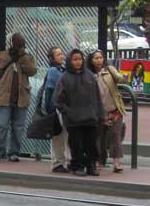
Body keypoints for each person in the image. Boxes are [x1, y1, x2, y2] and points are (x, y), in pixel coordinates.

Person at [53, 49, 104, 177]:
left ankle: (91, 166)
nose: (78, 62)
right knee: (77, 145)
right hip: (74, 120)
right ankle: (78, 166)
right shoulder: (64, 78)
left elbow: (97, 97)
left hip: (90, 117)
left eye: (80, 59)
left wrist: (99, 114)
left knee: (91, 144)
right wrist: (67, 112)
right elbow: (58, 100)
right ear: (70, 61)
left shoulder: (89, 76)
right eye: (75, 60)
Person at [0, 33, 37, 162]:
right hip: (3, 97)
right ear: (11, 44)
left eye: (21, 46)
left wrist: (22, 58)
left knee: (18, 127)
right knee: (1, 125)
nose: (19, 48)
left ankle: (14, 152)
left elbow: (32, 71)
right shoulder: (2, 56)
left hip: (21, 97)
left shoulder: (27, 57)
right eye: (17, 45)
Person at [87, 50, 127, 173]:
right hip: (99, 113)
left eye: (101, 58)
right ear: (91, 60)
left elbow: (119, 78)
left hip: (114, 110)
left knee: (115, 136)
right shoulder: (89, 75)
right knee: (99, 138)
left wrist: (124, 77)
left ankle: (116, 162)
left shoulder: (109, 70)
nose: (99, 60)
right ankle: (99, 161)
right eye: (96, 58)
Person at [44, 46, 70, 173]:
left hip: (63, 107)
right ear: (52, 58)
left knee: (64, 135)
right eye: (58, 55)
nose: (61, 56)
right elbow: (52, 89)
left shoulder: (62, 69)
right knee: (58, 136)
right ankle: (57, 162)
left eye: (62, 54)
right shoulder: (54, 71)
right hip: (57, 108)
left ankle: (64, 161)